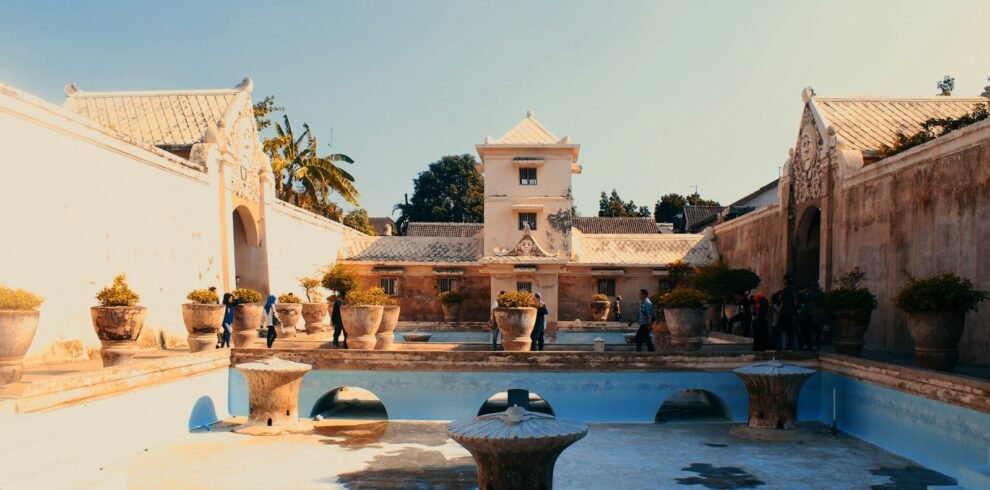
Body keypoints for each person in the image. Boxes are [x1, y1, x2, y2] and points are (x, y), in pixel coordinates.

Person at [779, 275, 798, 350]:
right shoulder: (793, 289)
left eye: (783, 280)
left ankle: (784, 346)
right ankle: (789, 345)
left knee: (783, 329)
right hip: (791, 312)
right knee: (790, 330)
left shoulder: (786, 289)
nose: (783, 281)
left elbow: (780, 298)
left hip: (785, 312)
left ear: (786, 280)